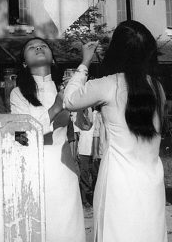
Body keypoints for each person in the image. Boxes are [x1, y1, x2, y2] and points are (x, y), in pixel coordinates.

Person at [64, 21, 167, 242]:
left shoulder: (107, 84)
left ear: (116, 52)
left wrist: (84, 63)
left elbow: (70, 100)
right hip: (152, 180)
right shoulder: (157, 88)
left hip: (118, 178)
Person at [10, 37, 84, 242]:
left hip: (64, 169)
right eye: (31, 47)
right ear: (24, 62)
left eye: (43, 46)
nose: (38, 48)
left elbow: (84, 125)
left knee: (67, 229)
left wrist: (81, 101)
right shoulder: (18, 94)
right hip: (35, 169)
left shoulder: (65, 88)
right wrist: (56, 107)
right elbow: (21, 136)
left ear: (53, 59)